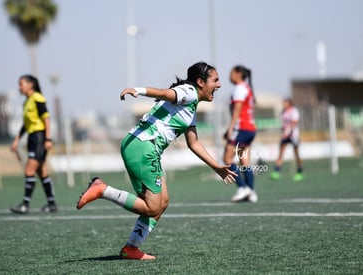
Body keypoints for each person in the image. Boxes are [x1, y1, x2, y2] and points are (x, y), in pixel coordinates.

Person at [76, 62, 236, 260]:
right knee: (152, 207)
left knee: (163, 202)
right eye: (215, 80)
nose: (219, 85)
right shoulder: (189, 92)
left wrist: (216, 167)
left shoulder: (191, 107)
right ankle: (102, 189)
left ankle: (131, 248)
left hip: (144, 147)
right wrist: (139, 90)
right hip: (143, 146)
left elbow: (193, 143)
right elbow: (165, 93)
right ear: (201, 82)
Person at [10, 74, 57, 214]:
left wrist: (48, 139)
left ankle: (25, 205)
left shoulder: (37, 98)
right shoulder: (26, 102)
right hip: (32, 138)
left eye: (21, 83)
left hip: (39, 137)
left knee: (29, 171)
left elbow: (46, 119)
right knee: (42, 172)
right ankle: (51, 204)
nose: (19, 87)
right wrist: (17, 140)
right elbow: (26, 124)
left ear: (31, 84)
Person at [223, 65, 257, 203]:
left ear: (238, 74)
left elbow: (237, 110)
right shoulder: (247, 88)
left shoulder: (239, 89)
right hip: (250, 129)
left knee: (227, 159)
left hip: (241, 129)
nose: (229, 75)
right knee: (245, 161)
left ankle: (243, 188)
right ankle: (251, 191)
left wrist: (230, 129)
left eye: (231, 72)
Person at [269, 98, 304, 181]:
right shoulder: (283, 112)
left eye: (285, 103)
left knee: (296, 154)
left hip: (293, 135)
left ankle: (300, 171)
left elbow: (295, 122)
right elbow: (283, 124)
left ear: (289, 103)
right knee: (281, 153)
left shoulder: (294, 111)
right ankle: (276, 171)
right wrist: (283, 132)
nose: (283, 104)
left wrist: (288, 131)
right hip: (285, 136)